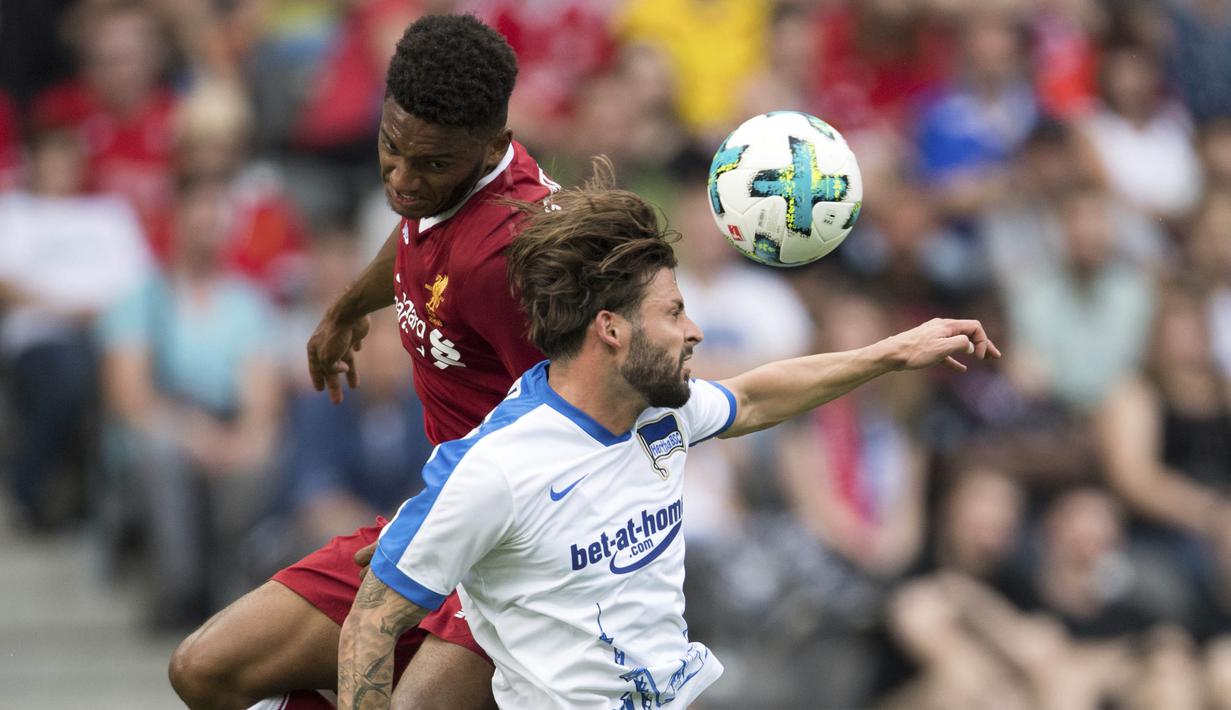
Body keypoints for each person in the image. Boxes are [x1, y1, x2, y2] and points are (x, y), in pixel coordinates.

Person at [336, 168, 1000, 709]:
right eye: (674, 312)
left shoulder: (658, 411)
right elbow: (370, 623)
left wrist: (889, 352)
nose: (695, 332)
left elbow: (757, 395)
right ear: (610, 330)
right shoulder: (497, 465)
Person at [169, 14, 554, 710]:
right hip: (433, 529)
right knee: (205, 669)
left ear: (492, 144)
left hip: (514, 561)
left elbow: (579, 426)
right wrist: (347, 307)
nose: (403, 180)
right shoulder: (448, 174)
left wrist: (466, 534)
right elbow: (416, 236)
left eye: (430, 163)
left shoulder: (515, 260)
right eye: (391, 147)